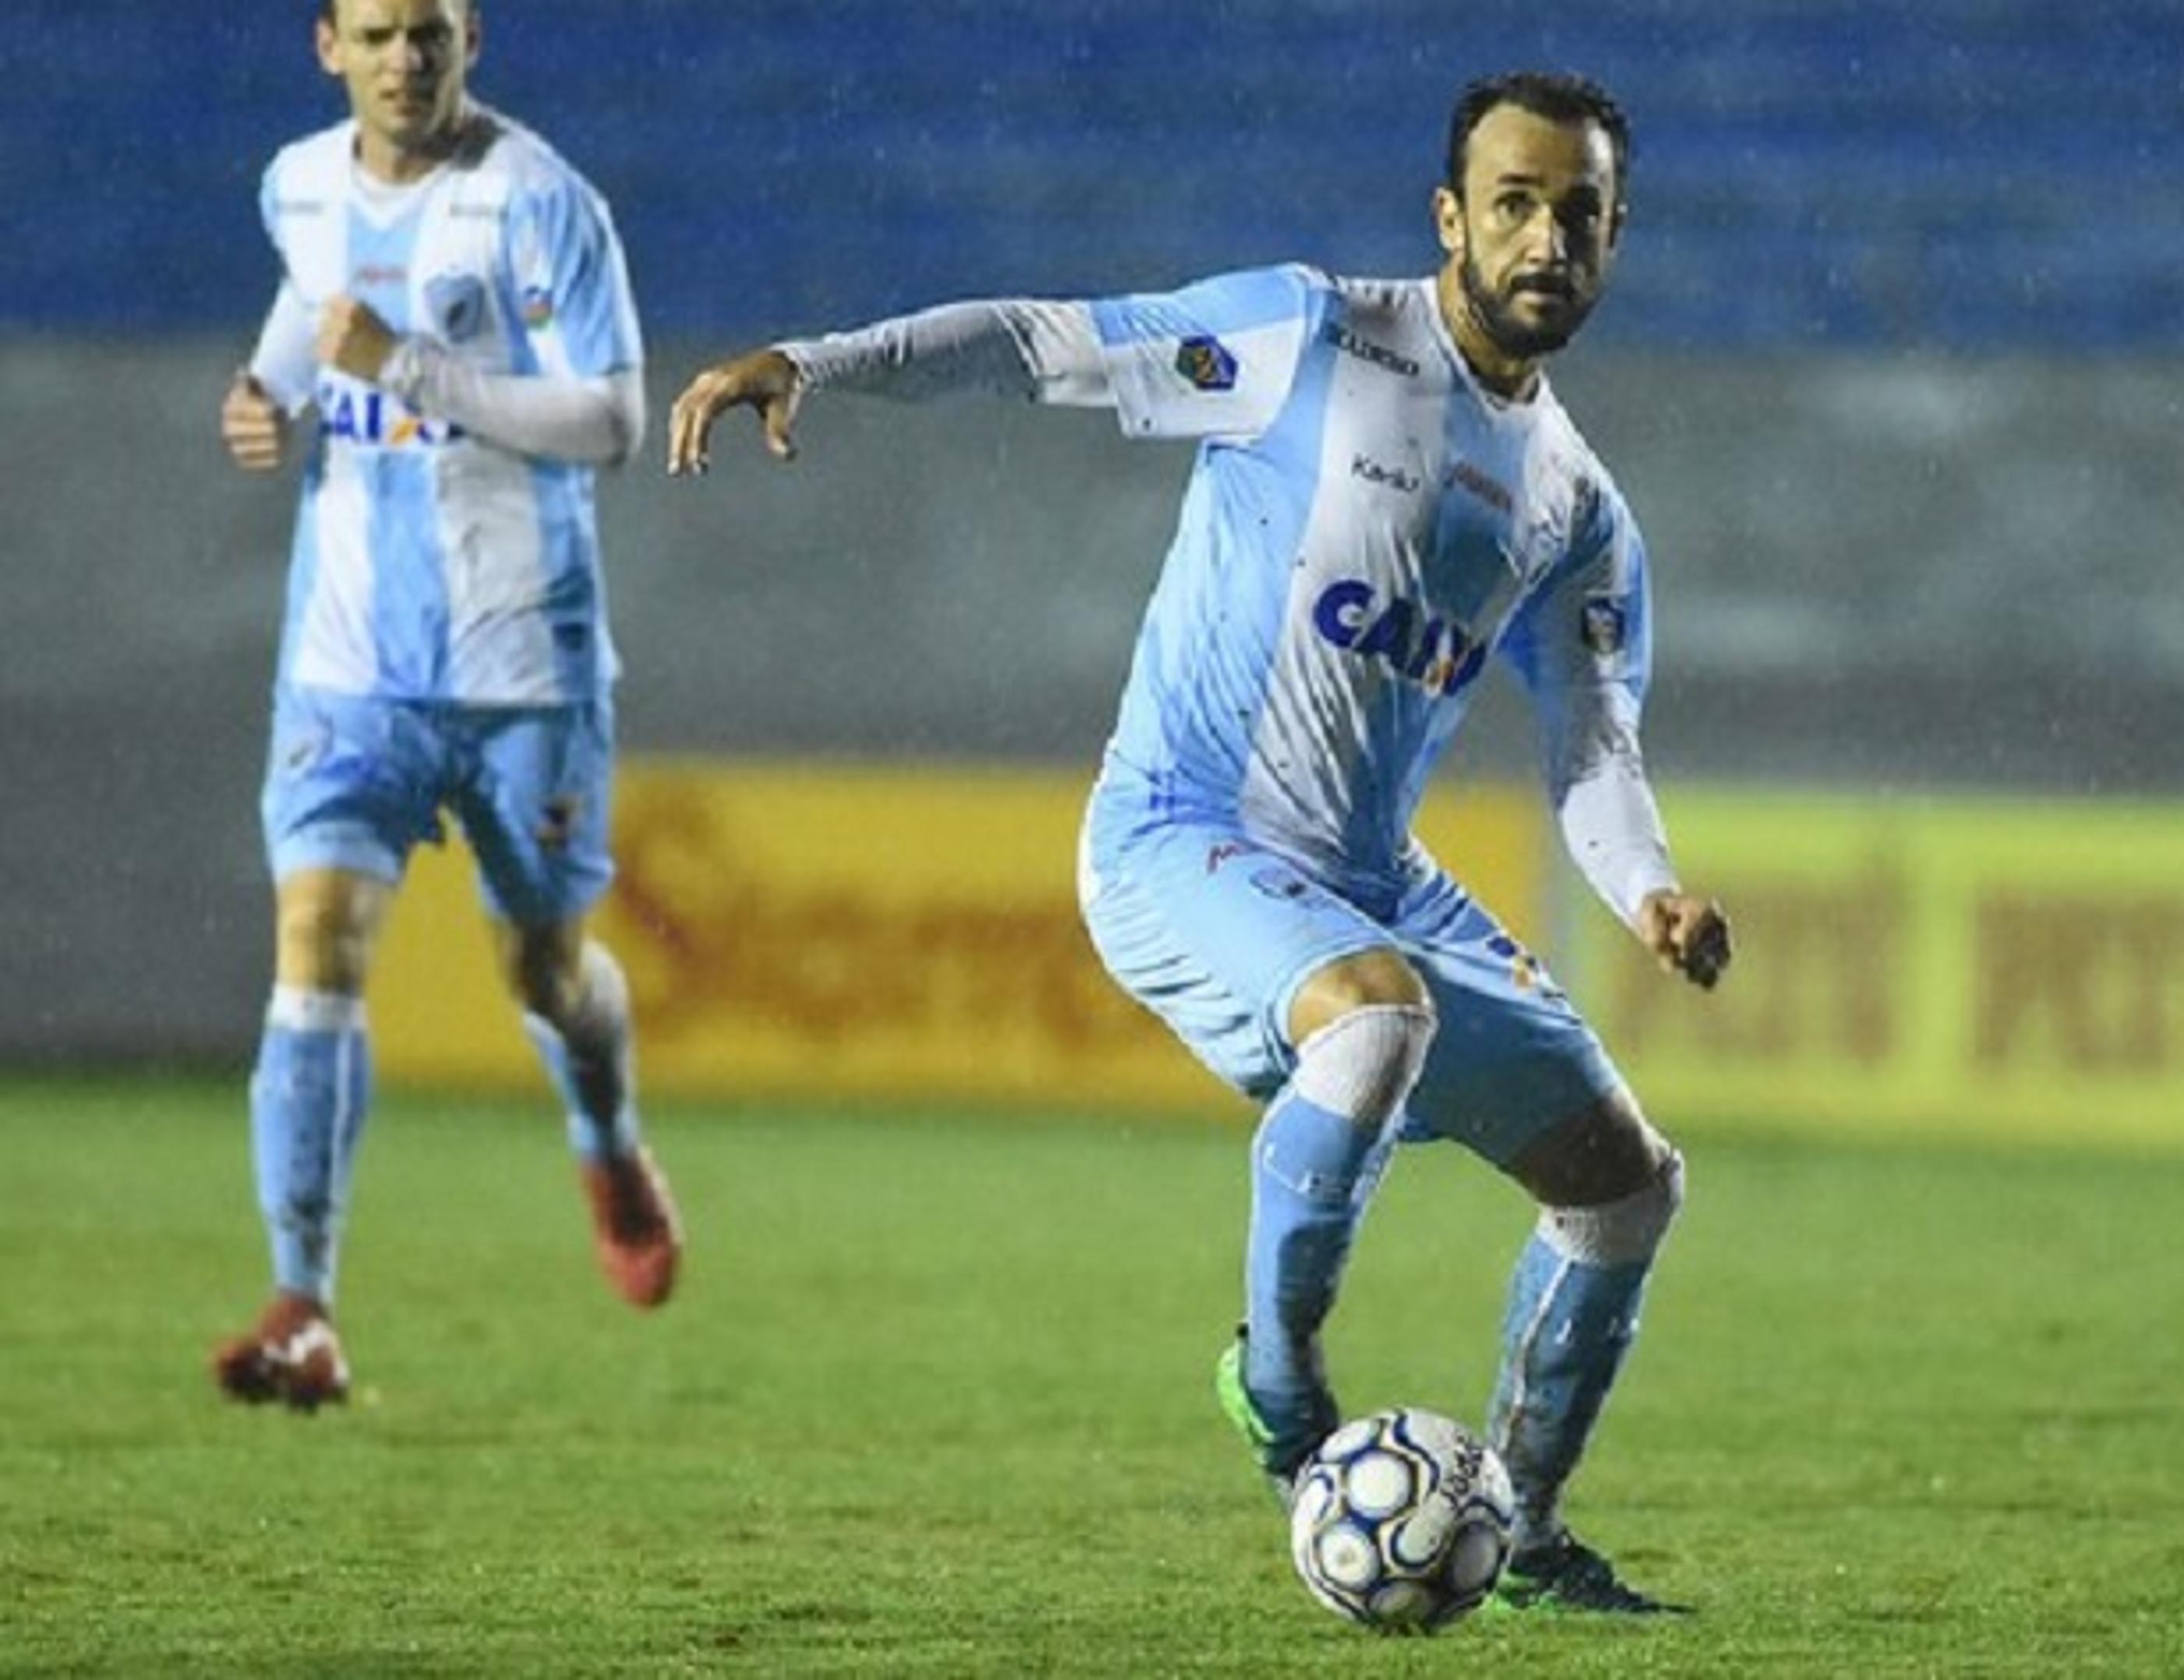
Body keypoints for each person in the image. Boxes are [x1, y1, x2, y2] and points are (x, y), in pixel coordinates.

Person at [666, 71, 1728, 1613]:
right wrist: (814, 362)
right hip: (1180, 835)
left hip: (1371, 882)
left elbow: (1594, 748)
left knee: (1627, 1183)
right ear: (1450, 217)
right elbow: (1048, 344)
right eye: (1514, 200)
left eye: (1581, 212)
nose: (1545, 236)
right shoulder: (1309, 339)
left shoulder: (1578, 510)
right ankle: (1282, 1394)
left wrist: (1652, 892)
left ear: (1616, 240)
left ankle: (1528, 1531)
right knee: (1375, 1018)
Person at [211, 0, 681, 1412]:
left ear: (471, 41)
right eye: (377, 35)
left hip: (518, 666)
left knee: (540, 972)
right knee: (316, 945)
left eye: (429, 33)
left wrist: (406, 371)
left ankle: (605, 1133)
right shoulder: (298, 181)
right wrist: (264, 390)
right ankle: (304, 1304)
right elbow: (314, 305)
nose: (405, 60)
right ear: (328, 47)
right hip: (347, 664)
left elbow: (611, 419)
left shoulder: (539, 201)